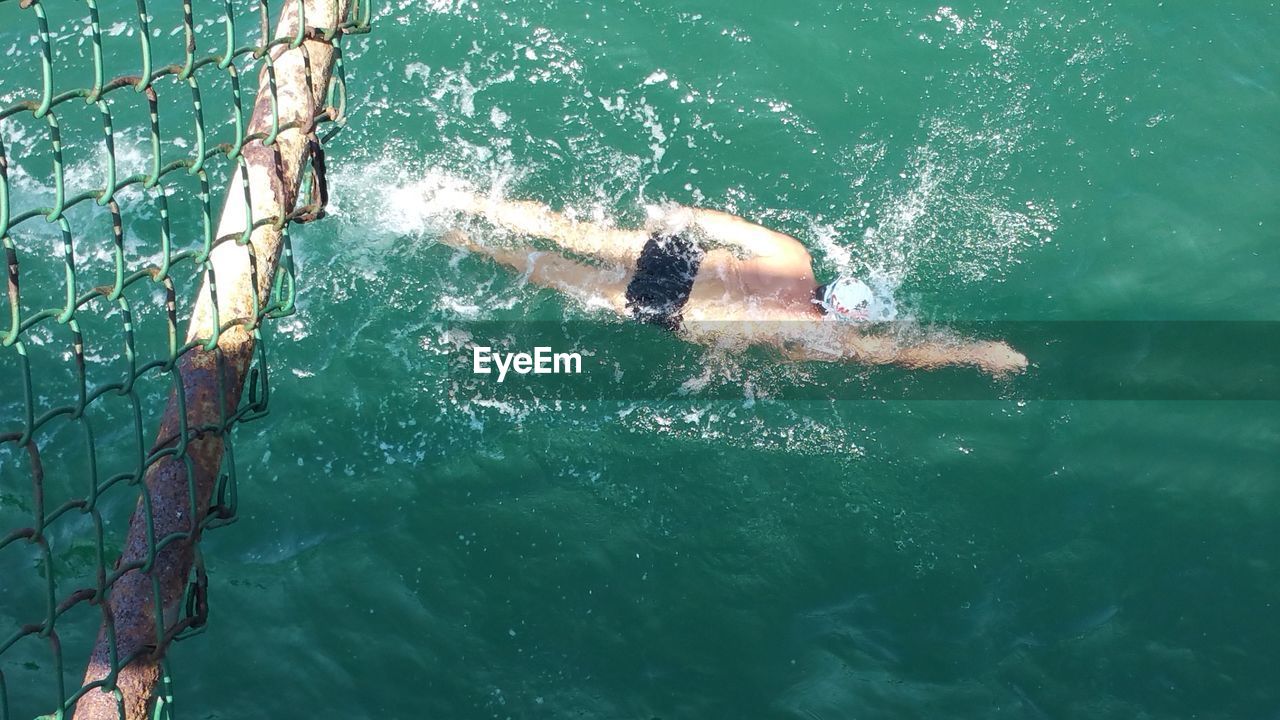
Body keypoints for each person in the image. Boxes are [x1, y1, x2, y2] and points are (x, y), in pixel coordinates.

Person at [432, 191, 1028, 376]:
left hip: (681, 256)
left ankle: (467, 197)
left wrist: (674, 219)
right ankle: (465, 241)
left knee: (576, 232)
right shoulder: (818, 336)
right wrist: (980, 354)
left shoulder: (792, 256)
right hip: (667, 305)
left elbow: (720, 222)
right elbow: (901, 354)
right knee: (559, 272)